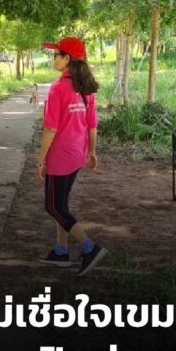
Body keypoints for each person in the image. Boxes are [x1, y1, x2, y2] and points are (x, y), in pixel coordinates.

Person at [37, 36, 109, 276]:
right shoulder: (86, 87)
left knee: (52, 205)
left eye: (56, 55)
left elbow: (50, 128)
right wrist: (92, 151)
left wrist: (41, 159)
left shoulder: (58, 88)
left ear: (67, 58)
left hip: (59, 157)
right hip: (77, 154)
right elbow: (92, 125)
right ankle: (61, 251)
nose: (53, 59)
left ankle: (90, 247)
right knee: (61, 204)